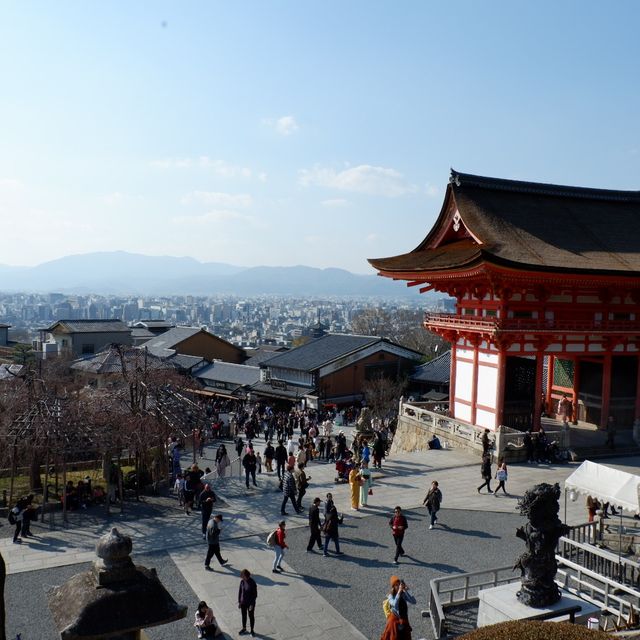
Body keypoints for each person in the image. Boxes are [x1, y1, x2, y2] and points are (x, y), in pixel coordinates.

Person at [380, 576, 416, 640]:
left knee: (406, 637)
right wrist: (399, 593)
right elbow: (394, 604)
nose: (398, 586)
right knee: (394, 637)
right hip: (394, 619)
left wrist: (406, 591)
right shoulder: (390, 595)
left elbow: (413, 601)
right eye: (396, 585)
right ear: (393, 586)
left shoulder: (403, 593)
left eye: (399, 584)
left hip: (404, 618)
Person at [238, 568, 258, 636]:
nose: (241, 577)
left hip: (250, 604)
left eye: (242, 576)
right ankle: (244, 628)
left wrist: (252, 605)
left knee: (251, 616)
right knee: (244, 616)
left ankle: (252, 630)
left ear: (246, 576)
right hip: (243, 602)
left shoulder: (252, 583)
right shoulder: (242, 582)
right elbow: (240, 592)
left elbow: (255, 595)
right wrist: (239, 602)